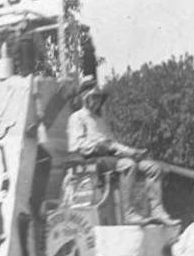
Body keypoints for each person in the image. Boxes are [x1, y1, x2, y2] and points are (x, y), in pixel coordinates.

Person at [67, 78, 179, 225]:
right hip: (91, 161)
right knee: (128, 165)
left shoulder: (100, 120)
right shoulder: (77, 118)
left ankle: (157, 211)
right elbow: (77, 145)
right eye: (94, 97)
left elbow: (114, 144)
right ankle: (128, 214)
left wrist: (133, 152)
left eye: (99, 97)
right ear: (85, 97)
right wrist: (100, 146)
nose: (97, 101)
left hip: (110, 159)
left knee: (153, 168)